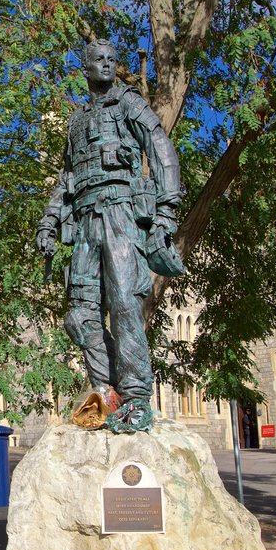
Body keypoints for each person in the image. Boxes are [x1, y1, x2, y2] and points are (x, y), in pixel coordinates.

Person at [36, 39, 182, 433]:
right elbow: (67, 177)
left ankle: (135, 399)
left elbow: (161, 148)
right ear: (85, 69)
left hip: (119, 212)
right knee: (79, 317)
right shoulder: (76, 121)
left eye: (112, 59)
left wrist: (167, 211)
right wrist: (49, 222)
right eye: (98, 60)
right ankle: (107, 391)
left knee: (123, 305)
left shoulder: (129, 103)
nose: (107, 64)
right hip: (83, 222)